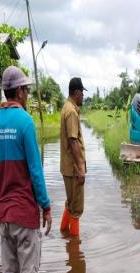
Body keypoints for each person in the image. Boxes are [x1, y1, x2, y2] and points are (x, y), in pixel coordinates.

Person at [0, 65, 52, 273]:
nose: (27, 94)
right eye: (26, 89)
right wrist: (45, 206)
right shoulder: (25, 122)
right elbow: (35, 171)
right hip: (25, 214)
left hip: (4, 214)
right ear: (20, 92)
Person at [59, 77, 87, 237]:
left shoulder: (67, 108)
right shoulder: (71, 111)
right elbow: (73, 140)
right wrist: (81, 168)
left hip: (68, 168)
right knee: (76, 208)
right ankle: (74, 248)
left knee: (70, 204)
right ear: (76, 92)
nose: (83, 95)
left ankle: (64, 233)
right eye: (82, 92)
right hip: (74, 169)